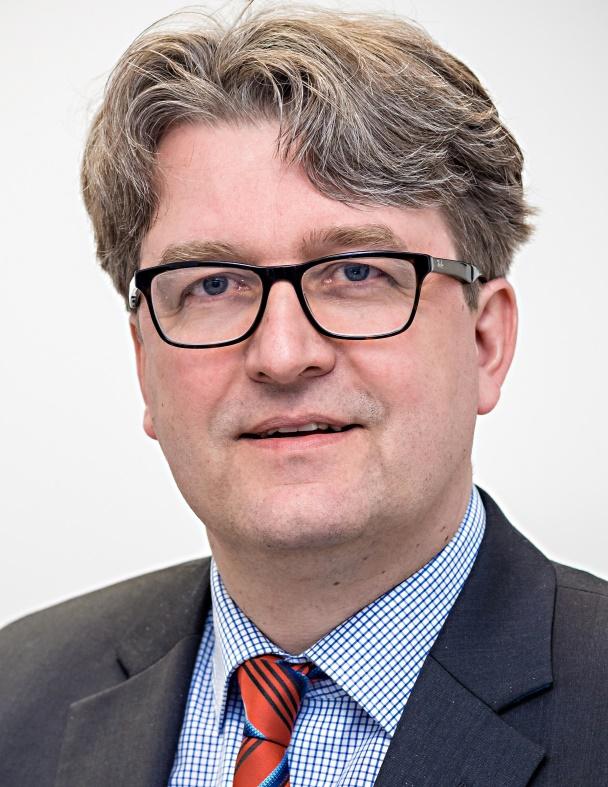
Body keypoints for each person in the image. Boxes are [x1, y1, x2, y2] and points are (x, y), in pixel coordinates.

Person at [1, 5, 606, 786]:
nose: (283, 355)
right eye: (212, 284)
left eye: (357, 272)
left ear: (486, 341)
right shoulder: (18, 694)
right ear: (145, 361)